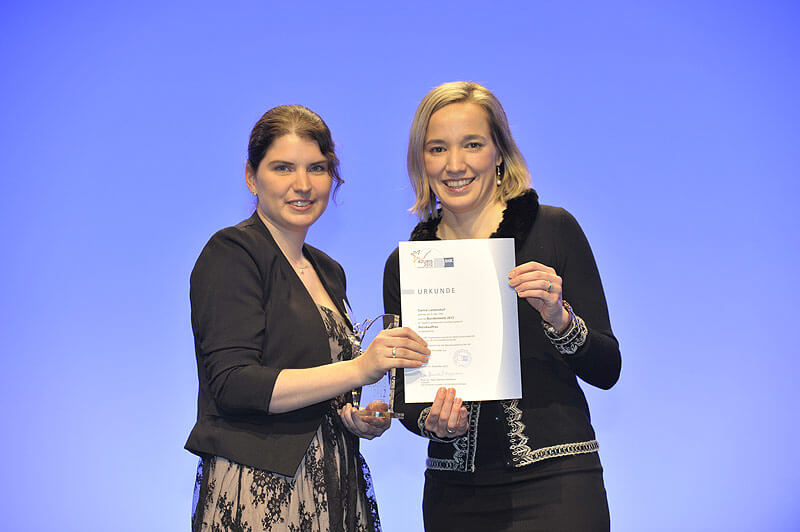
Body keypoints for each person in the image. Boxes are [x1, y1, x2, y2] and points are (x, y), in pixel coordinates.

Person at [383, 82, 621, 531]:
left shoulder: (553, 229)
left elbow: (608, 369)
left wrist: (560, 319)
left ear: (499, 152)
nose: (455, 164)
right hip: (455, 497)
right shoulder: (407, 265)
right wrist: (433, 421)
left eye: (472, 144)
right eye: (437, 148)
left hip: (558, 484)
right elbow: (405, 395)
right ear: (421, 160)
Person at [186, 104, 431, 532]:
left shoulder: (328, 270)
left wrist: (352, 415)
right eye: (283, 167)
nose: (302, 184)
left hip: (332, 479)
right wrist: (360, 369)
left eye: (316, 168)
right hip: (262, 489)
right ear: (251, 177)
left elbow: (321, 383)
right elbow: (233, 383)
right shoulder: (232, 253)